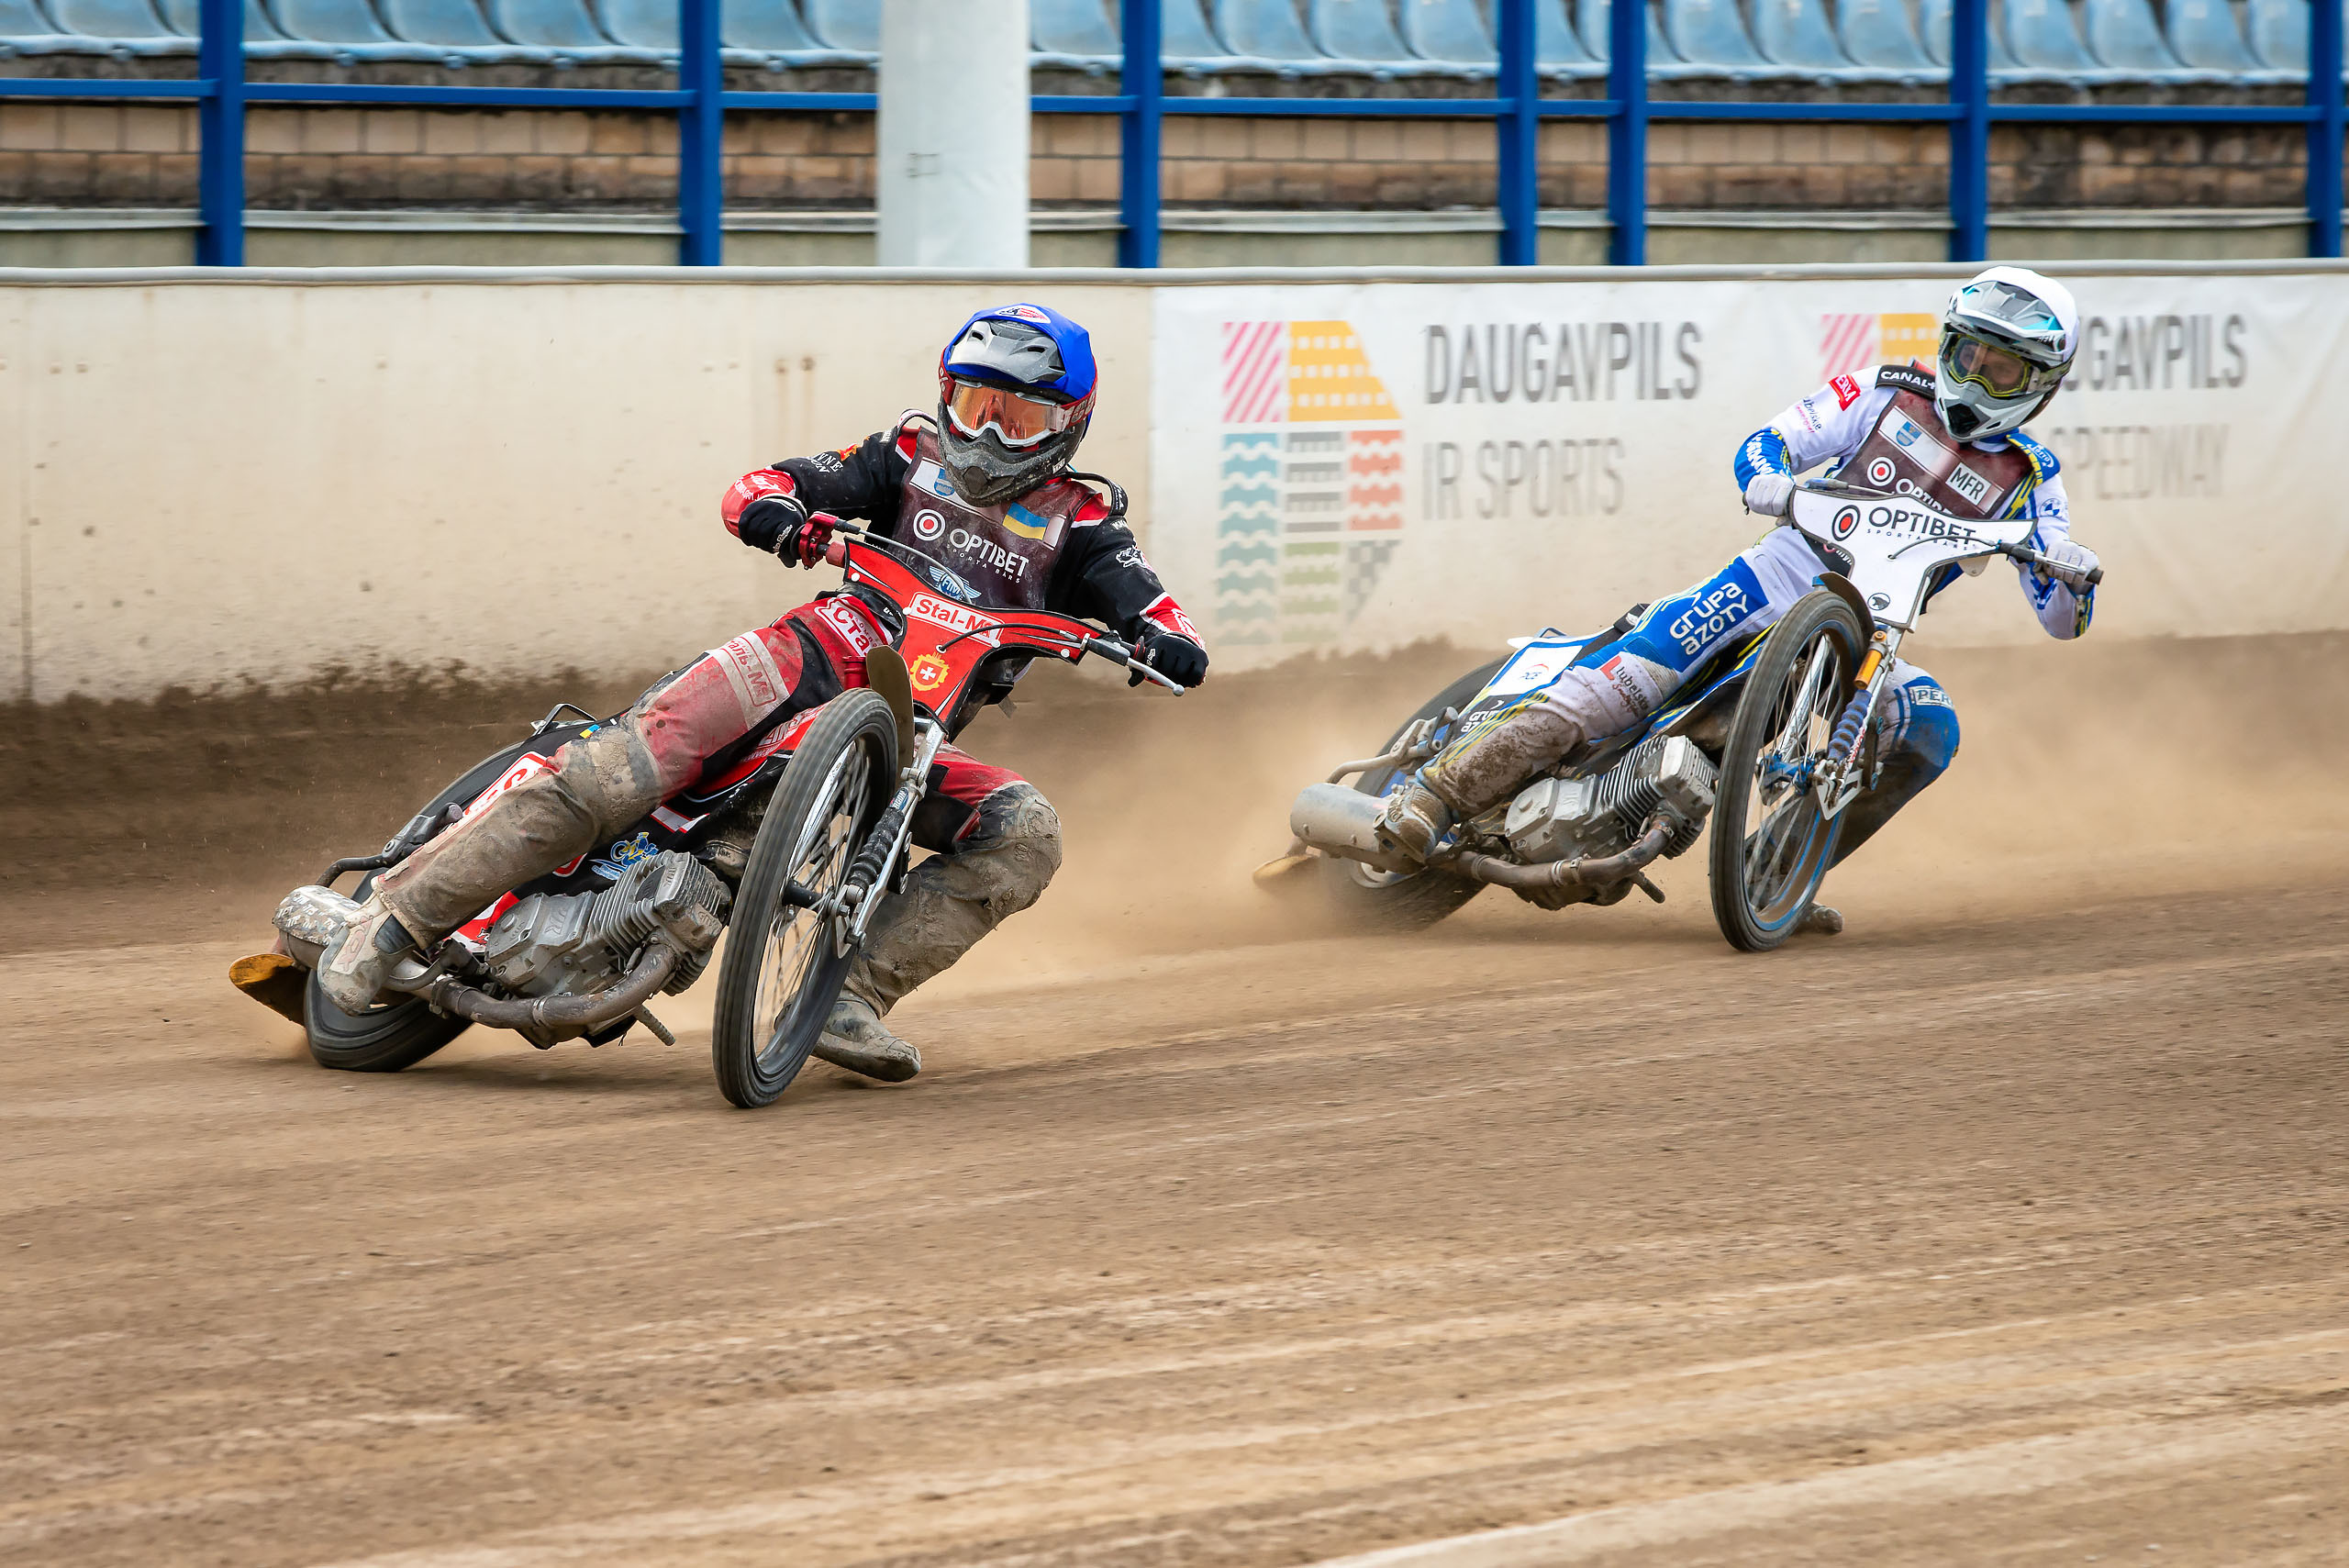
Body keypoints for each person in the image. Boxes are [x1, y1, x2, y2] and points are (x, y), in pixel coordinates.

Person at [289, 303, 1208, 1081]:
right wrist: (785, 519)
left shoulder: (1085, 530)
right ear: (944, 395)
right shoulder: (905, 457)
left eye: (1015, 417)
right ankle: (394, 921)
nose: (986, 432)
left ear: (1067, 425)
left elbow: (1164, 614)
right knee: (614, 776)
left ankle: (847, 994)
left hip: (912, 728)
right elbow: (758, 486)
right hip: (812, 648)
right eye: (974, 403)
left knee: (1028, 831)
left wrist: (1163, 641)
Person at [1378, 266, 2101, 931]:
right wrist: (1772, 478)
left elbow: (2062, 622)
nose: (1974, 376)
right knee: (1621, 687)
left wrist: (2068, 569)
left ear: (2040, 382)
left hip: (1874, 636)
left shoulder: (2033, 480)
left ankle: (1779, 873)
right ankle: (1435, 795)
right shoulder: (1885, 391)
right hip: (1777, 575)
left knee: (1930, 729)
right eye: (1967, 353)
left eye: (2000, 367)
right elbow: (1773, 439)